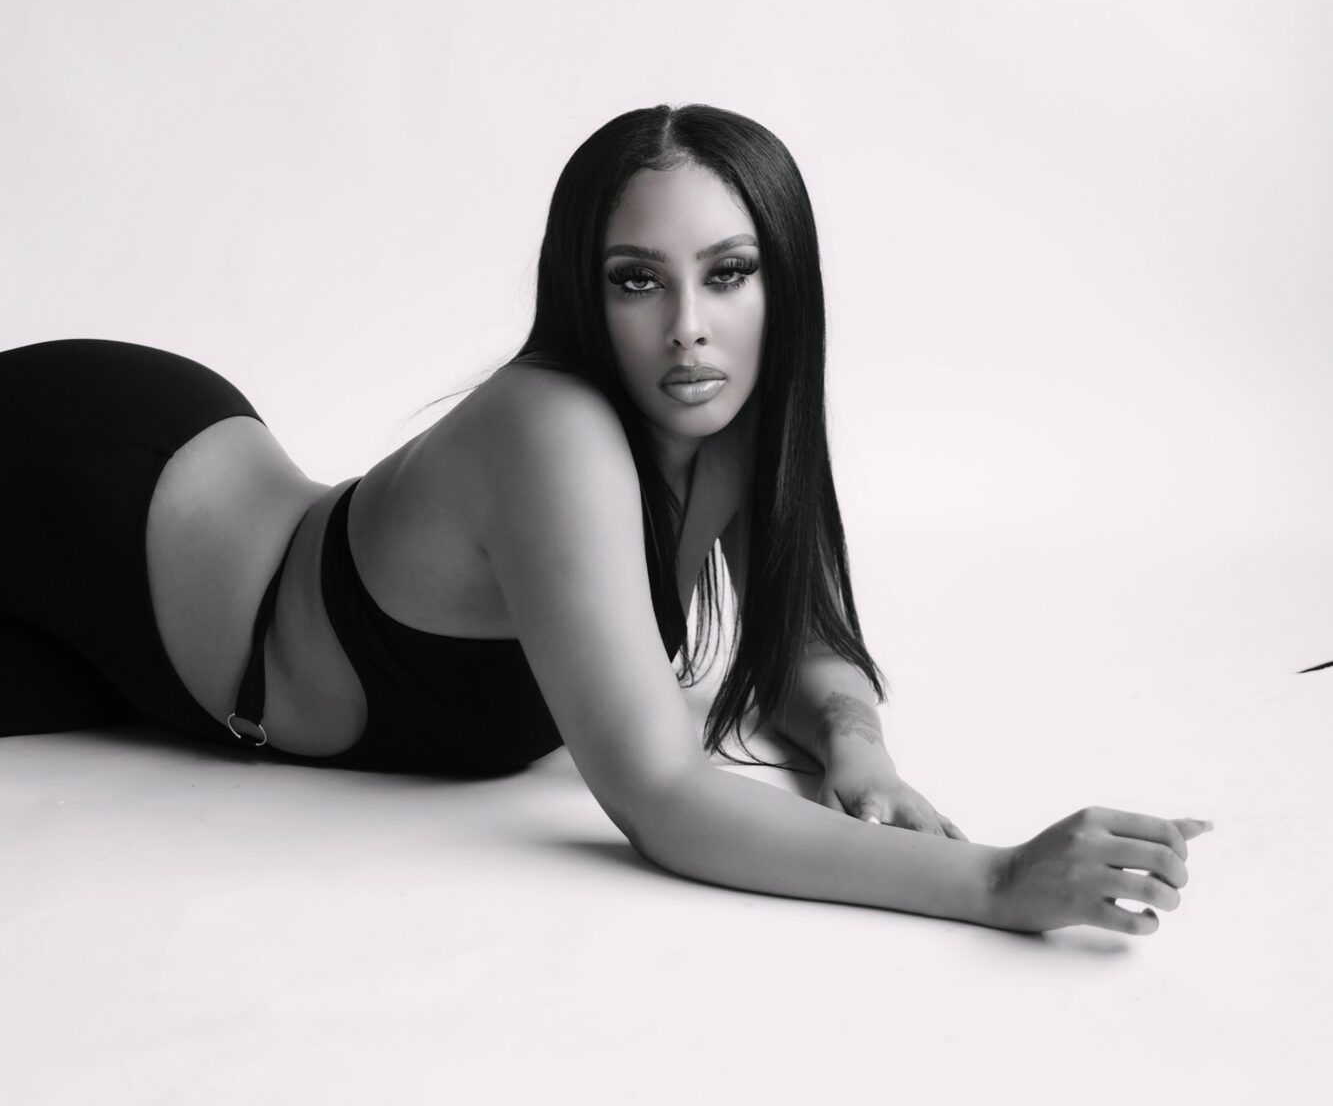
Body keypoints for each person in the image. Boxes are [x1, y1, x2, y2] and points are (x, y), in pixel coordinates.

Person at [0, 102, 1211, 933]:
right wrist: (992, 880)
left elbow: (798, 630)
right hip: (79, 472)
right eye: (638, 278)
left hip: (137, 643)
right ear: (585, 293)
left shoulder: (726, 424)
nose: (687, 325)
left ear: (781, 283)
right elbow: (662, 795)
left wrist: (857, 750)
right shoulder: (555, 429)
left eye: (727, 273)